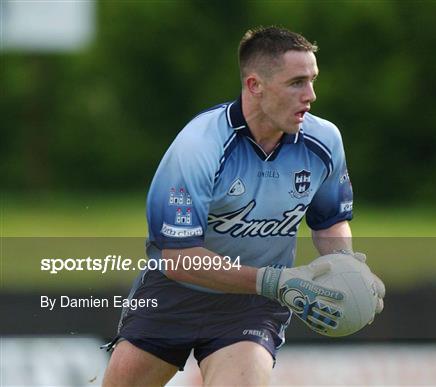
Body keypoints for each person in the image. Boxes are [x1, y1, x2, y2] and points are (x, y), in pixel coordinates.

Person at [102, 26, 384, 386]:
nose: (310, 95)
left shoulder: (324, 140)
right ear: (255, 85)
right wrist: (274, 280)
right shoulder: (198, 147)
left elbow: (328, 222)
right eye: (297, 82)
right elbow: (177, 257)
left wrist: (345, 264)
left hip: (253, 304)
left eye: (312, 80)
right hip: (175, 292)